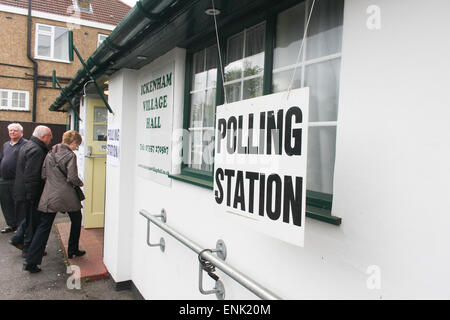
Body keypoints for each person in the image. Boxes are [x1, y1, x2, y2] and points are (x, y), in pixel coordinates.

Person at [24, 130, 85, 273]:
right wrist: (80, 183)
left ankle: (31, 262)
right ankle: (73, 250)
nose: (76, 147)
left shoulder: (50, 153)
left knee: (43, 227)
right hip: (67, 196)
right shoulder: (70, 155)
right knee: (77, 219)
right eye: (77, 144)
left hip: (49, 195)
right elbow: (72, 178)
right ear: (73, 142)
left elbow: (44, 174)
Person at [10, 126, 52, 265]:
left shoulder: (28, 145)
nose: (51, 139)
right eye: (49, 136)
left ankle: (18, 240)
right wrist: (34, 197)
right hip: (30, 194)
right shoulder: (37, 150)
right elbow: (33, 176)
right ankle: (28, 249)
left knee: (29, 220)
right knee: (33, 223)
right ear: (43, 136)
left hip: (24, 191)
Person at [0, 123, 27, 233]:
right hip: (3, 179)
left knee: (19, 204)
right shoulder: (6, 144)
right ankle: (11, 224)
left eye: (15, 130)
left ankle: (20, 227)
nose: (12, 132)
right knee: (6, 204)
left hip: (17, 180)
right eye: (10, 130)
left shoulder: (25, 144)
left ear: (21, 132)